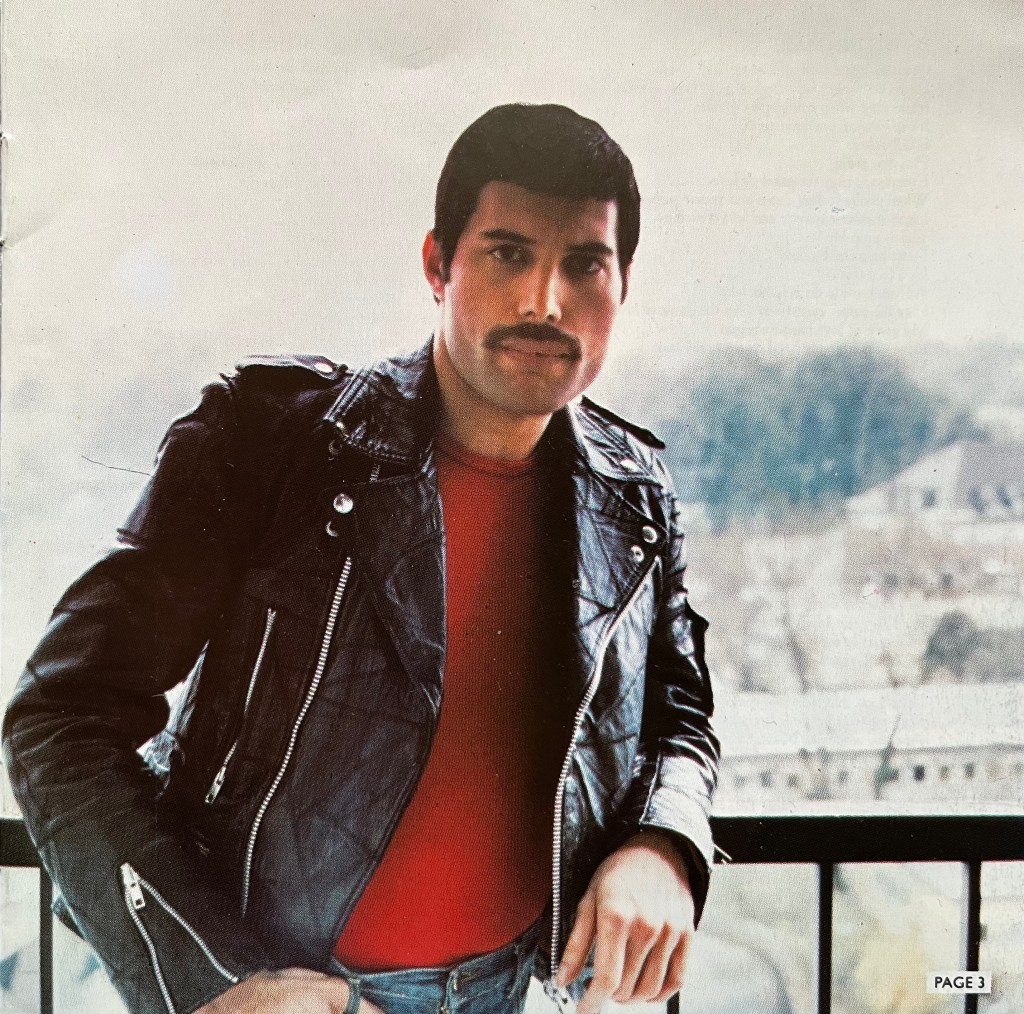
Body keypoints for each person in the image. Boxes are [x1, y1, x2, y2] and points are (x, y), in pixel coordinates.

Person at [3, 103, 719, 1014]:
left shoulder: (633, 492)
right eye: (507, 254)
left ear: (622, 287)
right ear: (437, 265)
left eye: (585, 263)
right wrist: (218, 983)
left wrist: (664, 846)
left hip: (516, 993)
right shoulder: (272, 442)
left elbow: (680, 715)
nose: (545, 300)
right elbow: (61, 719)